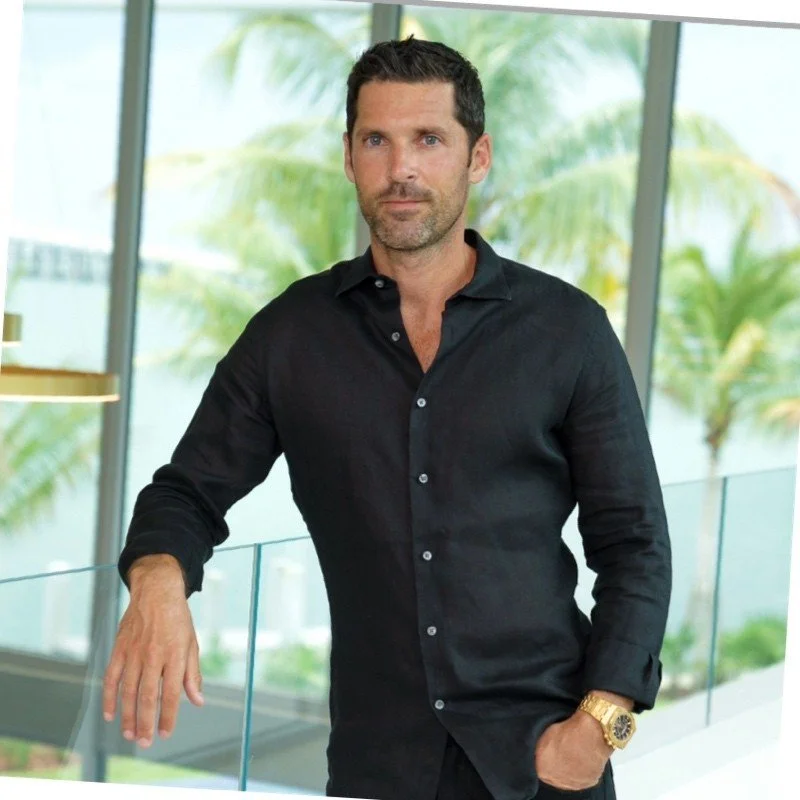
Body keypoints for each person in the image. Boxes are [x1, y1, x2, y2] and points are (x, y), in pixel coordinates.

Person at [103, 36, 672, 800]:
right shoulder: (292, 334)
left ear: (477, 157)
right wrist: (159, 584)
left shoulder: (567, 331)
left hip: (545, 760)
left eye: (429, 140)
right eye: (377, 140)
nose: (401, 168)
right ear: (349, 157)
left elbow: (634, 545)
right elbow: (186, 494)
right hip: (378, 762)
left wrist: (600, 724)